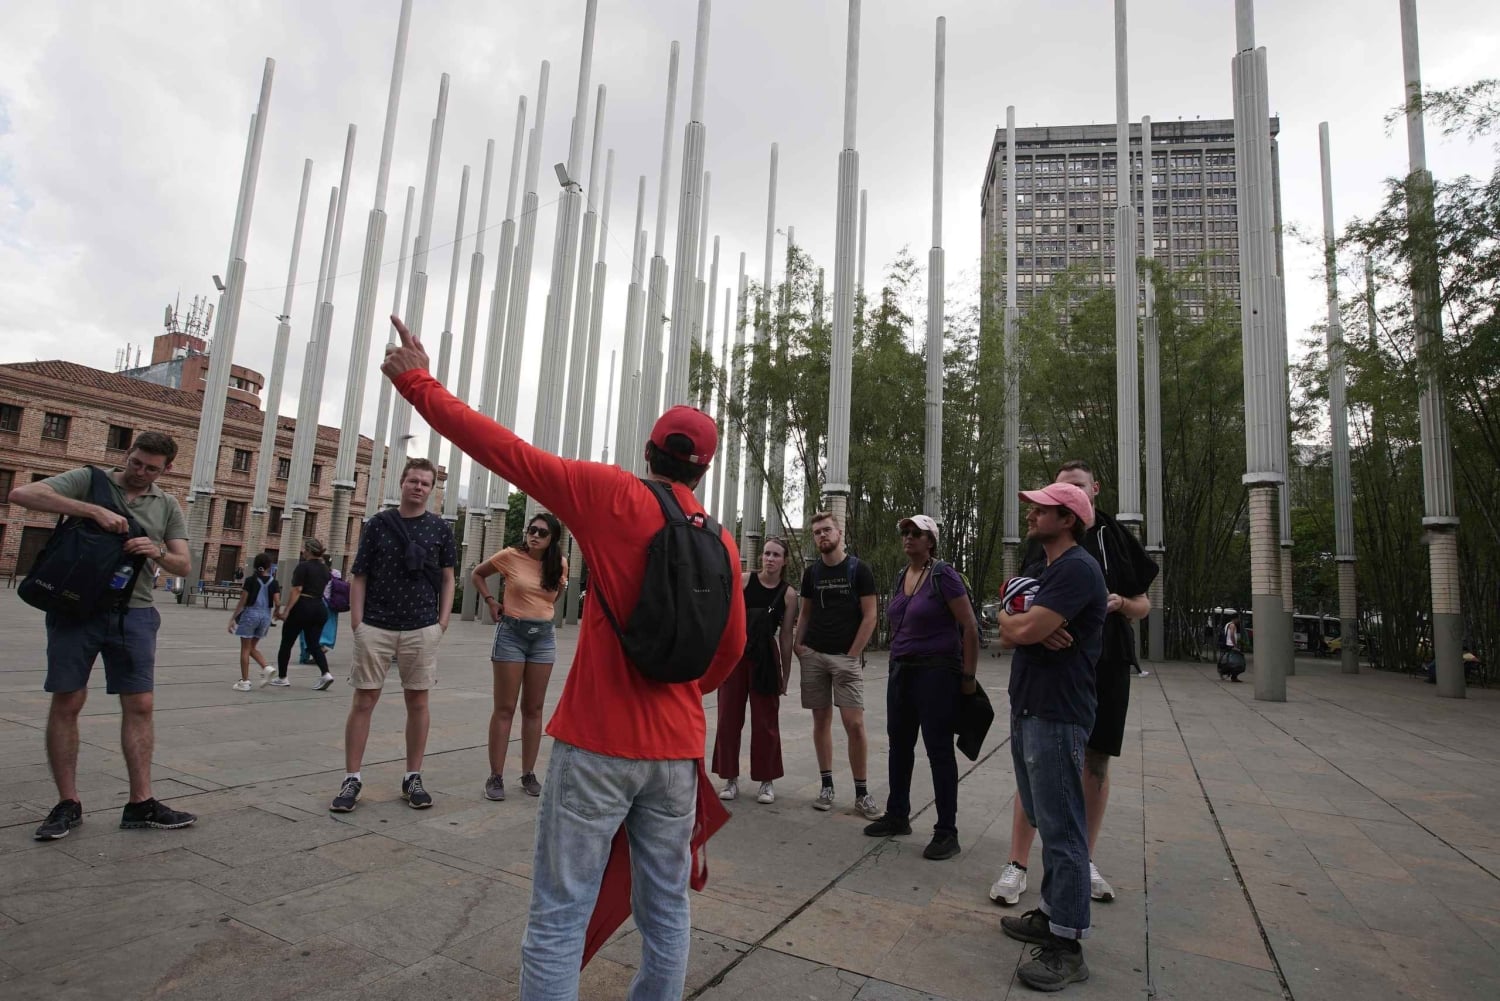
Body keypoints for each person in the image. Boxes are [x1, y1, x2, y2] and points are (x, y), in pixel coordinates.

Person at [380, 313, 746, 1001]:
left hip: (597, 742)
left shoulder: (610, 495)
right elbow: (730, 650)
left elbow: (504, 450)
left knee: (560, 909)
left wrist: (417, 383)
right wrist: (680, 697)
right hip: (675, 752)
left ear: (649, 451)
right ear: (705, 464)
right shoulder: (721, 542)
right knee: (666, 907)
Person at [990, 459, 1157, 908]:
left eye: (1055, 500)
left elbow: (1143, 603)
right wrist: (1022, 621)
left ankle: (1074, 883)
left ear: (1083, 501)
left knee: (1086, 765)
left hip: (1093, 668)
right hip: (1039, 681)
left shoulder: (1105, 548)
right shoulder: (1043, 550)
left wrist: (1118, 604)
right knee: (1037, 769)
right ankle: (1019, 862)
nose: (1034, 512)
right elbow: (1016, 615)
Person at [14, 432, 197, 839]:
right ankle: (67, 803)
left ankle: (141, 803)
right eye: (136, 463)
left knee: (141, 704)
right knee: (68, 699)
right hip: (75, 607)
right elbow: (22, 493)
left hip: (133, 613)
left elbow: (183, 565)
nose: (140, 473)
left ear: (166, 470)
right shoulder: (89, 480)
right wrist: (91, 511)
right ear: (127, 455)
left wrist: (157, 552)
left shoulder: (166, 504)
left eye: (151, 468)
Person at [997, 483, 1109, 992]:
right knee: (1045, 815)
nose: (1032, 513)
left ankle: (1067, 944)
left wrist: (1023, 624)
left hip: (1058, 711)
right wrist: (1020, 621)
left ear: (1067, 519)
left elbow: (1020, 629)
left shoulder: (1077, 568)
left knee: (1064, 829)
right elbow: (1008, 622)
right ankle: (1049, 911)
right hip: (1030, 705)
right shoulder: (1045, 568)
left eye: (1042, 508)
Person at [331, 456, 457, 813]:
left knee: (418, 702)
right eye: (413, 481)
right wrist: (358, 623)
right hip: (377, 624)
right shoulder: (378, 525)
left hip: (421, 626)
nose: (418, 487)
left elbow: (448, 578)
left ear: (432, 490)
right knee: (364, 700)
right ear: (401, 483)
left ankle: (412, 775)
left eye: (425, 483)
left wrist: (442, 622)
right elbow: (360, 574)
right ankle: (351, 777)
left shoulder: (439, 529)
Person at [863, 515, 980, 861]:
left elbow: (970, 627)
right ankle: (897, 815)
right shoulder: (902, 576)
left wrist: (968, 678)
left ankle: (947, 831)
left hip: (937, 673)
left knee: (938, 750)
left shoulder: (944, 576)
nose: (908, 537)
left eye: (916, 533)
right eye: (905, 532)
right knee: (900, 746)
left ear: (931, 541)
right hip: (902, 671)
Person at [471, 511, 568, 801]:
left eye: (541, 532)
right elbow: (478, 573)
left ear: (552, 539)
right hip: (511, 635)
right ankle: (496, 776)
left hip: (543, 639)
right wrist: (491, 601)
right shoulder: (511, 556)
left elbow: (554, 597)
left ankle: (528, 773)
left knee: (534, 709)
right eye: (531, 530)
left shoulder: (558, 564)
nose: (534, 535)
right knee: (505, 708)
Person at [793, 511, 881, 819]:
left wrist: (853, 653)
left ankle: (861, 792)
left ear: (839, 532)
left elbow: (870, 616)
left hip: (845, 657)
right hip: (814, 654)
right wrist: (798, 644)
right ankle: (827, 785)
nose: (822, 536)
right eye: (817, 532)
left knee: (854, 724)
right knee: (821, 723)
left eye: (826, 530)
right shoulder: (812, 573)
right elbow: (805, 613)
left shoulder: (859, 570)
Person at [713, 537, 798, 805]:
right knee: (728, 717)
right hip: (737, 654)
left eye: (775, 555)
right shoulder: (745, 580)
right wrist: (719, 661)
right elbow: (726, 619)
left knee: (766, 721)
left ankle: (766, 781)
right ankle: (730, 778)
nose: (769, 558)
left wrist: (785, 674)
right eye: (766, 553)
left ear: (784, 560)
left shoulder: (788, 594)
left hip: (765, 658)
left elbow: (785, 636)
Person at [271, 538, 334, 690]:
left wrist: (287, 611)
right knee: (314, 644)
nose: (303, 552)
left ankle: (282, 677)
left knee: (287, 643)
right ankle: (326, 674)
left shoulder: (303, 567)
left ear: (310, 551)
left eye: (305, 549)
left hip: (302, 607)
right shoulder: (326, 569)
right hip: (319, 608)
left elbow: (297, 590)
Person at [228, 553, 280, 691]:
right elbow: (278, 602)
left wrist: (233, 618)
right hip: (265, 617)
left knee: (245, 649)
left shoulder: (250, 581)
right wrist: (277, 611)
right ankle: (266, 668)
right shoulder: (273, 582)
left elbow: (243, 601)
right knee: (251, 647)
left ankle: (245, 681)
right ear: (269, 566)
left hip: (251, 615)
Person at [299, 567, 344, 664]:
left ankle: (315, 650)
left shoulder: (314, 571)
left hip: (316, 603)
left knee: (308, 629)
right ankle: (319, 649)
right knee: (324, 629)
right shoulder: (336, 573)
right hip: (331, 605)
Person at [1218, 611, 1245, 682]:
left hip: (1228, 644)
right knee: (1237, 661)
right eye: (1238, 619)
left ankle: (1228, 673)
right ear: (1235, 619)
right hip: (1231, 645)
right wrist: (1235, 645)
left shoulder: (1227, 624)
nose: (1239, 620)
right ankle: (1233, 676)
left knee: (1230, 660)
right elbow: (1232, 635)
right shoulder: (1232, 625)